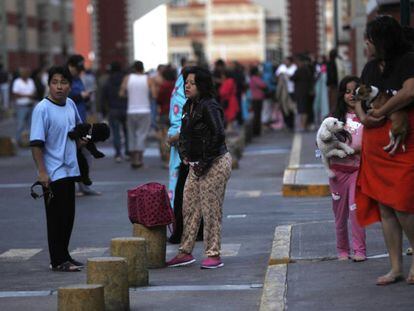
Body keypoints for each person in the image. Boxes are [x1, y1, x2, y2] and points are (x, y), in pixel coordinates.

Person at [354, 15, 414, 285]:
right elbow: (359, 97)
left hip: (403, 139)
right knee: (386, 207)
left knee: (404, 205)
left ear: (383, 41)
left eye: (370, 40)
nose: (367, 43)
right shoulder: (369, 68)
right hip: (375, 142)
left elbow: (410, 92)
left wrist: (382, 111)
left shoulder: (408, 60)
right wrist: (362, 115)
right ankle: (395, 267)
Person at [167, 66, 232, 268]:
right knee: (189, 207)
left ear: (202, 85)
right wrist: (186, 156)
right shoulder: (189, 106)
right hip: (196, 165)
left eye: (192, 83)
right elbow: (185, 134)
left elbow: (218, 135)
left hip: (215, 163)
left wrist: (204, 161)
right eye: (186, 82)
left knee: (211, 210)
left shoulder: (209, 106)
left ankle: (213, 254)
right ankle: (185, 252)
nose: (187, 86)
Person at [30, 66, 84, 272]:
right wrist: (42, 172)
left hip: (70, 169)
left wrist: (87, 137)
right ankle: (57, 259)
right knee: (56, 218)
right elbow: (36, 143)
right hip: (53, 173)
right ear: (49, 85)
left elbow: (78, 133)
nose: (59, 87)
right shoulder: (42, 109)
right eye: (55, 82)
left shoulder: (70, 104)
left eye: (63, 82)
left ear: (70, 86)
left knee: (68, 216)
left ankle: (65, 255)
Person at [329, 76, 366, 262]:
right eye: (348, 91)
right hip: (337, 171)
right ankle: (342, 249)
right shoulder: (333, 119)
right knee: (340, 215)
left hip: (358, 171)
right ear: (342, 94)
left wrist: (357, 150)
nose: (351, 95)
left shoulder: (367, 116)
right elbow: (322, 145)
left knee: (356, 210)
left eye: (355, 91)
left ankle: (360, 250)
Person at [67, 54, 100, 196]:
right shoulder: (65, 80)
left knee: (86, 153)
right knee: (71, 154)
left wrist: (86, 97)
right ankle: (72, 186)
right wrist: (81, 95)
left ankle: (84, 184)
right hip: (70, 123)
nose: (79, 71)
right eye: (77, 68)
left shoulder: (78, 78)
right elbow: (66, 97)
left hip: (81, 120)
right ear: (71, 66)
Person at [119, 61, 152, 168]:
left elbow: (121, 93)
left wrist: (130, 96)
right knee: (142, 134)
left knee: (131, 134)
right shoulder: (148, 79)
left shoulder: (127, 78)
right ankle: (140, 160)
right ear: (143, 69)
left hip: (131, 110)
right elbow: (154, 94)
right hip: (145, 110)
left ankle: (134, 160)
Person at [102, 61, 129, 163]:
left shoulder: (108, 81)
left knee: (116, 133)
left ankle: (118, 153)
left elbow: (103, 98)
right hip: (125, 108)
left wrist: (104, 111)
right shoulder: (125, 80)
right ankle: (127, 152)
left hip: (113, 109)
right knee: (127, 132)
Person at [12, 67, 37, 145]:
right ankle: (17, 140)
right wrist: (28, 95)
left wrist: (30, 95)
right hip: (21, 106)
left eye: (27, 73)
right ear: (21, 74)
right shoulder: (17, 82)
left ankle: (29, 140)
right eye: (24, 73)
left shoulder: (31, 81)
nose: (26, 74)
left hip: (31, 105)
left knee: (31, 124)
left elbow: (34, 92)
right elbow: (15, 94)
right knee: (20, 124)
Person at [249, 66, 267, 136]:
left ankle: (256, 130)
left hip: (256, 98)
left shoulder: (252, 78)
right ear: (256, 72)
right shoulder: (255, 78)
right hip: (257, 99)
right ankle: (256, 131)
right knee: (257, 115)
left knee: (257, 115)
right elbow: (263, 85)